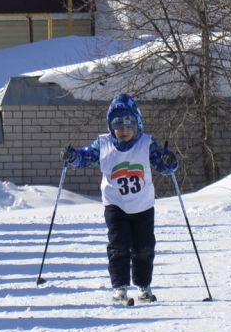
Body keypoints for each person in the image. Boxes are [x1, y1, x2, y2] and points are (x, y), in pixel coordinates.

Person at [62, 94, 180, 305]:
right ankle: (120, 288)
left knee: (144, 247)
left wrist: (168, 160)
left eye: (129, 124)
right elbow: (86, 157)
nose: (123, 130)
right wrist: (73, 157)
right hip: (115, 206)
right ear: (110, 126)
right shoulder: (103, 143)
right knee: (119, 246)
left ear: (138, 124)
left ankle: (144, 286)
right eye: (117, 124)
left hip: (143, 206)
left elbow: (163, 166)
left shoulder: (146, 143)